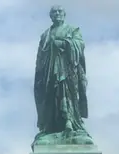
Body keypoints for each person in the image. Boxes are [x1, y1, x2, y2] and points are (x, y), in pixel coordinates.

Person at [33, 6, 92, 145]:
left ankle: (70, 122)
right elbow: (40, 56)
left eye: (60, 12)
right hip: (49, 73)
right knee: (51, 98)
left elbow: (79, 45)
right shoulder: (45, 35)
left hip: (67, 70)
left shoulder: (72, 30)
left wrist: (65, 43)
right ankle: (51, 127)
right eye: (54, 12)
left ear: (64, 15)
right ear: (51, 16)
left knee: (68, 94)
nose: (57, 14)